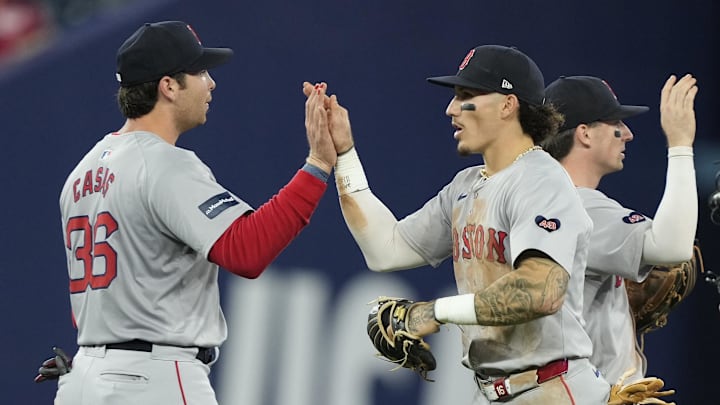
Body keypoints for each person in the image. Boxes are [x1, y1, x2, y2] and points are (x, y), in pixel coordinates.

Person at [50, 20, 336, 404]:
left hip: (84, 377)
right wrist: (317, 164)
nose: (211, 83)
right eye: (200, 72)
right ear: (168, 86)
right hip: (155, 379)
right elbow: (246, 250)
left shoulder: (81, 173)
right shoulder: (164, 164)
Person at [305, 45, 610, 404]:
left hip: (551, 388)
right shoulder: (466, 186)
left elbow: (541, 291)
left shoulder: (541, 179)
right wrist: (345, 155)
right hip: (494, 391)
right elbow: (385, 248)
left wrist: (435, 312)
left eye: (466, 97)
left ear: (508, 105)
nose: (451, 109)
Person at [540, 75, 698, 387]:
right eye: (615, 124)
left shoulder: (542, 200)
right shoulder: (579, 207)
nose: (627, 134)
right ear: (584, 133)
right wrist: (680, 144)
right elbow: (673, 247)